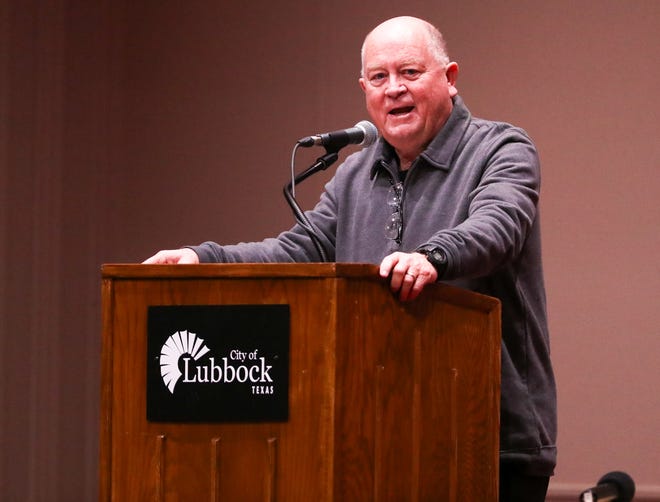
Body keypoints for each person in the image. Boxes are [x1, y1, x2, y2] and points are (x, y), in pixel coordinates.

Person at [144, 16, 557, 501]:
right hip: (379, 438)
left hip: (491, 441)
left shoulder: (502, 148)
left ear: (449, 78)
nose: (394, 89)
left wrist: (430, 258)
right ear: (364, 89)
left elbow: (497, 227)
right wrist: (203, 258)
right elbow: (299, 251)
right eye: (379, 78)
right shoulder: (356, 173)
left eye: (410, 73)